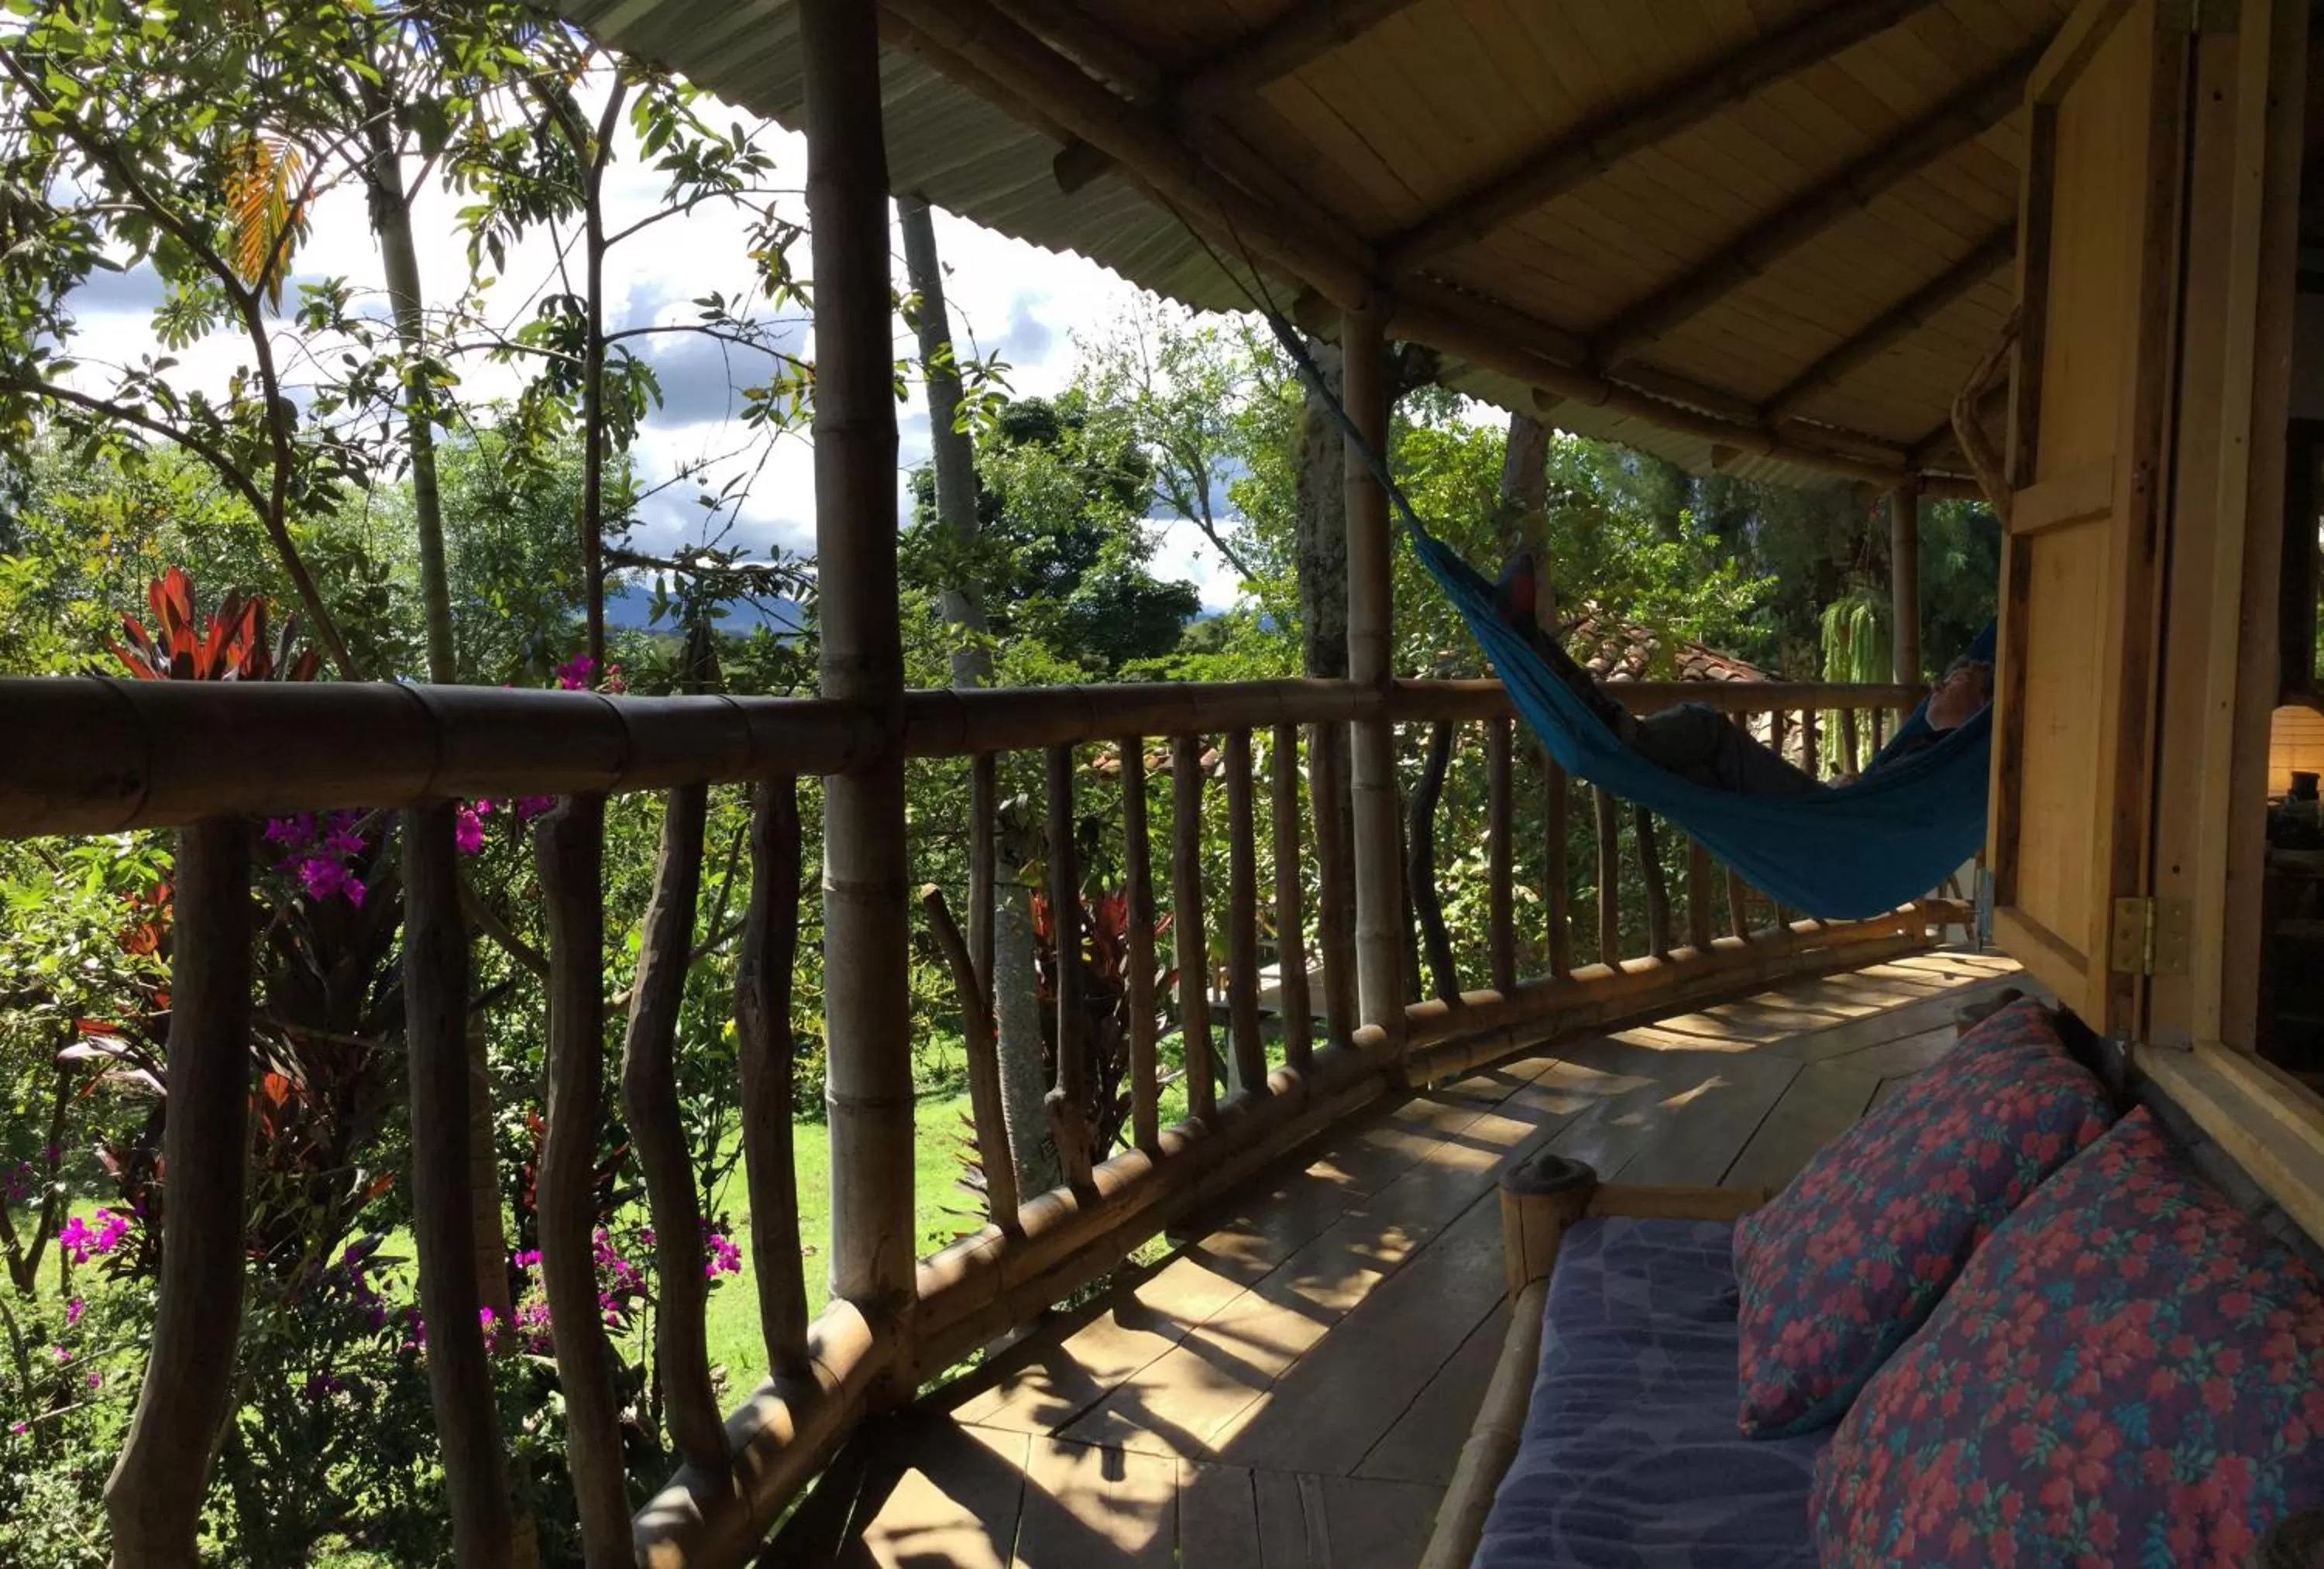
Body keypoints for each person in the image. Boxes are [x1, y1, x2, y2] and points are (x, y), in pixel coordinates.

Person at [1493, 551, 1992, 798]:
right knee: (1691, 764)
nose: (1935, 685)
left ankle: (1559, 672)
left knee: (1704, 727)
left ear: (1981, 706)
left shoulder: (1948, 759)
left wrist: (1850, 788)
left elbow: (1888, 808)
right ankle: (1540, 650)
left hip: (1826, 823)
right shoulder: (1933, 752)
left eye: (1955, 679)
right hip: (1834, 816)